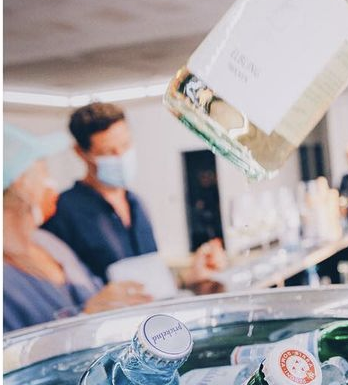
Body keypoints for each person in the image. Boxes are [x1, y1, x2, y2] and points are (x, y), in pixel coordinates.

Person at [42, 102, 226, 293]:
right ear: (81, 152)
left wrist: (189, 277)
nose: (121, 156)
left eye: (125, 145)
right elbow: (62, 293)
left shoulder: (136, 203)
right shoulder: (62, 213)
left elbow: (148, 284)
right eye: (108, 151)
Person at [3, 123, 153, 332]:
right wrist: (85, 318)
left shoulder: (48, 243)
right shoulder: (8, 279)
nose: (50, 182)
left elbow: (97, 295)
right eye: (43, 171)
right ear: (21, 184)